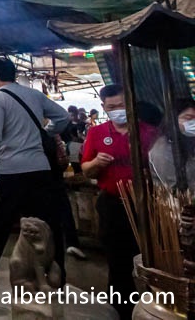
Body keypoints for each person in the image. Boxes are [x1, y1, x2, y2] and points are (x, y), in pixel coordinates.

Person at [0, 58, 69, 289]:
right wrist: (46, 132)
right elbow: (63, 117)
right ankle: (56, 276)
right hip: (40, 169)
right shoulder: (34, 95)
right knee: (46, 223)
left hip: (10, 170)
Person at [81, 84, 157, 319]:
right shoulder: (97, 133)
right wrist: (95, 164)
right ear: (104, 107)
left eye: (122, 105)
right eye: (111, 107)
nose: (117, 110)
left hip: (146, 206)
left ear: (131, 104)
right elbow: (86, 170)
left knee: (149, 258)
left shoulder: (148, 132)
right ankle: (120, 310)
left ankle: (151, 308)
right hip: (112, 204)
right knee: (117, 260)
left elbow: (162, 169)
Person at [149, 98, 195, 190]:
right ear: (173, 120)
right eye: (188, 118)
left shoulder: (189, 141)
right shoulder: (162, 149)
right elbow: (177, 188)